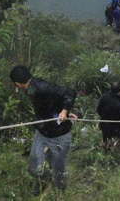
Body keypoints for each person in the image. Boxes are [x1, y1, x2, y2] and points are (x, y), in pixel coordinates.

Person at [9, 65, 77, 193]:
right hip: (42, 133)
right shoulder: (31, 89)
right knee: (34, 167)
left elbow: (70, 92)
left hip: (59, 136)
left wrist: (64, 110)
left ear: (18, 84)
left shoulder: (41, 87)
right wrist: (60, 109)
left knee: (59, 175)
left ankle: (59, 195)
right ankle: (44, 179)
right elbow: (51, 101)